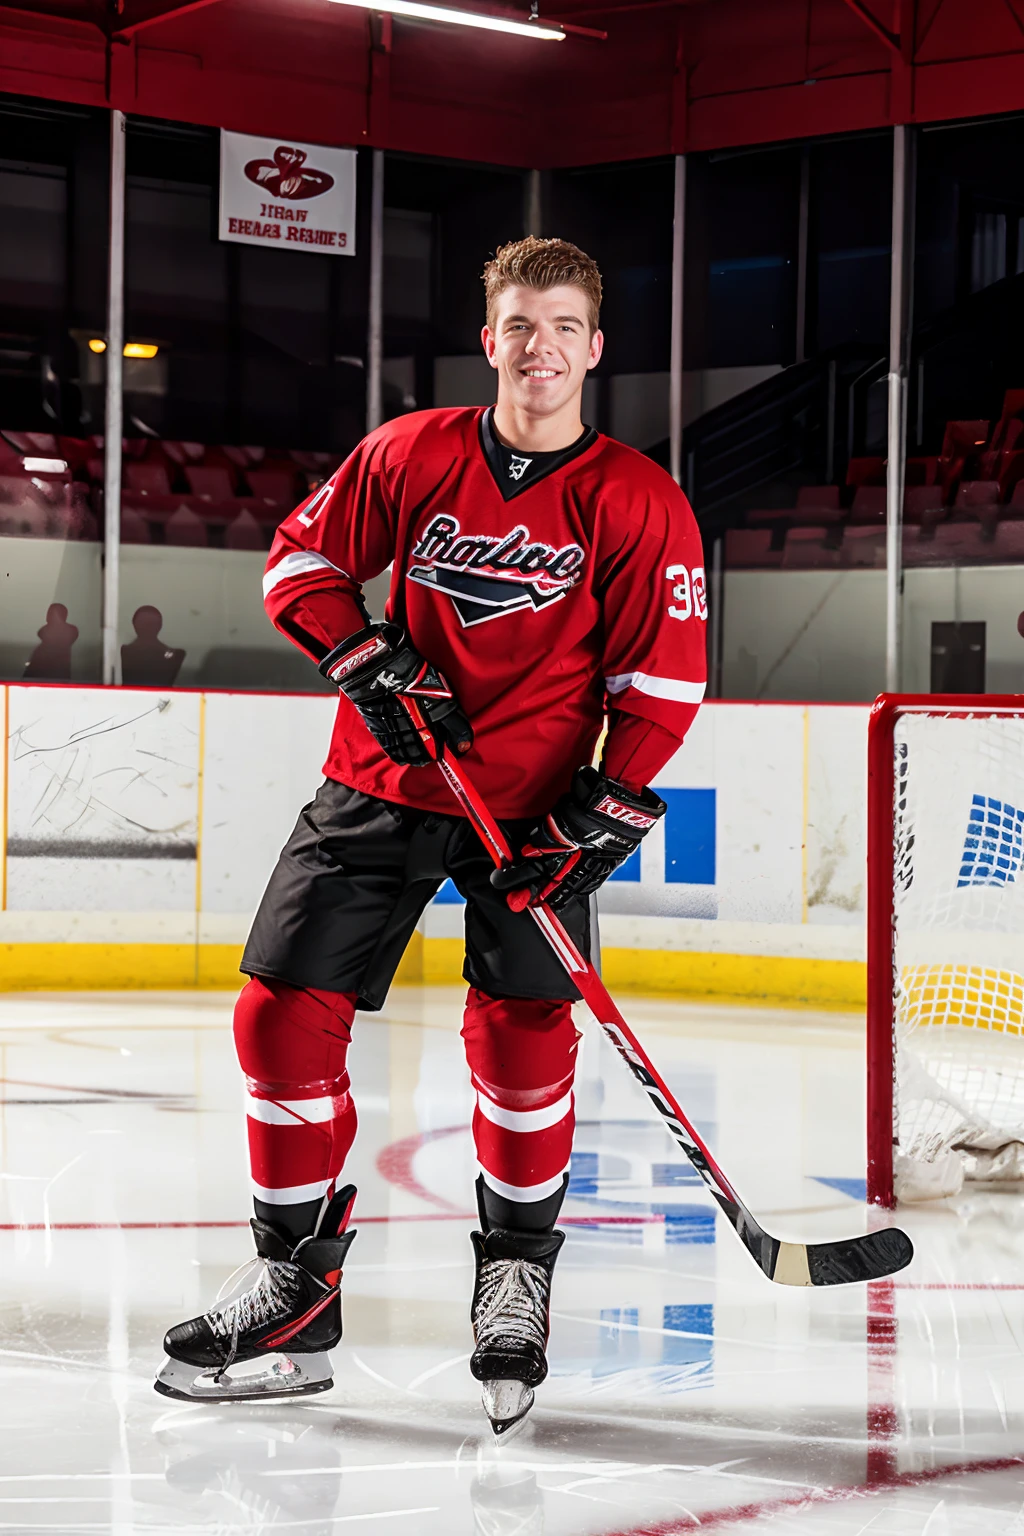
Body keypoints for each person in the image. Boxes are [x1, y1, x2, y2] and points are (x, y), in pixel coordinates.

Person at [156, 236, 708, 1436]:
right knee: (278, 1010)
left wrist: (605, 806)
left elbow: (662, 686)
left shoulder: (637, 499)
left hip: (531, 809)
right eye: (520, 326)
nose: (540, 349)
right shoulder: (412, 450)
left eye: (563, 327)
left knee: (520, 1030)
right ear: (492, 339)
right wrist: (362, 656)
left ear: (594, 348)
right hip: (383, 779)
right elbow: (301, 563)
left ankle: (515, 1276)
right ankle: (294, 1289)